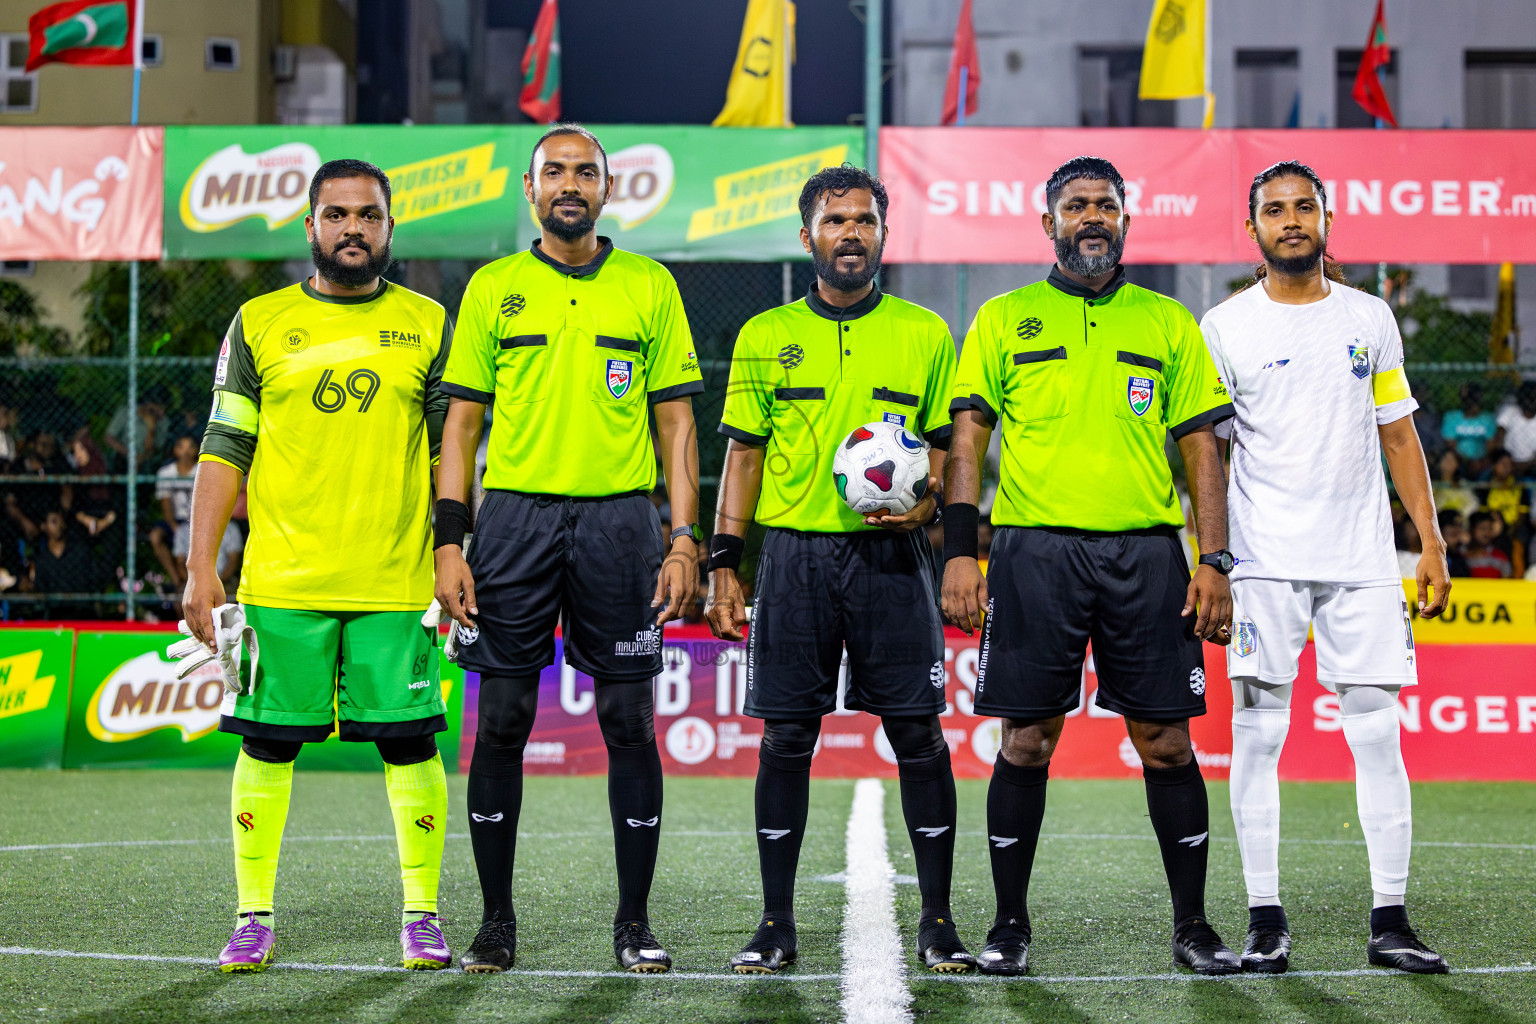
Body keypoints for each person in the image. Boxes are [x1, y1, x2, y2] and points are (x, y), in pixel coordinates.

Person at [943, 156, 1239, 976]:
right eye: (1076, 206)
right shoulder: (1004, 318)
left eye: (1106, 205)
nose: (1093, 217)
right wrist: (961, 550)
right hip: (1035, 553)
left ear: (1125, 221)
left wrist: (1212, 558)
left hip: (1147, 553)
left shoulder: (1169, 322)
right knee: (1027, 741)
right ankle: (1009, 925)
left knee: (1167, 744)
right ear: (1049, 224)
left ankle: (1193, 926)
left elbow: (1201, 449)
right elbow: (968, 441)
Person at [434, 123, 703, 975]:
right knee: (503, 720)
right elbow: (462, 425)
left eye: (586, 171)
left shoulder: (649, 285)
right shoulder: (494, 287)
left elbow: (677, 425)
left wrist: (684, 538)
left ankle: (634, 924)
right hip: (513, 522)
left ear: (608, 190)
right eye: (555, 171)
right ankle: (494, 924)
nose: (571, 183)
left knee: (629, 720)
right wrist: (450, 540)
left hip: (622, 525)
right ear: (530, 187)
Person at [182, 159, 455, 974]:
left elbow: (453, 456)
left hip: (395, 583)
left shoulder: (430, 323)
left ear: (390, 229)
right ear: (309, 226)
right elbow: (224, 445)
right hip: (282, 583)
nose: (352, 230)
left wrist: (452, 552)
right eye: (335, 215)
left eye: (367, 216)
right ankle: (252, 916)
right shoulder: (259, 321)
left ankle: (422, 914)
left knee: (410, 746)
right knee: (266, 746)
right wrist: (203, 566)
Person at [707, 165, 974, 976]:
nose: (850, 233)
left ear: (884, 234)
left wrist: (928, 514)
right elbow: (743, 457)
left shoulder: (926, 333)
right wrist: (725, 561)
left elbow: (945, 452)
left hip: (894, 557)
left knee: (919, 737)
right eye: (835, 221)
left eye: (864, 220)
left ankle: (937, 922)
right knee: (787, 737)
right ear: (807, 237)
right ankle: (775, 922)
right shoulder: (763, 335)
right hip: (794, 559)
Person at [1202, 160, 1451, 975]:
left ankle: (1390, 920)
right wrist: (1210, 562)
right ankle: (1265, 921)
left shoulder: (1371, 317)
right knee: (1258, 735)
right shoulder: (1224, 327)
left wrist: (1433, 541)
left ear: (1326, 217)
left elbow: (1398, 434)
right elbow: (1202, 457)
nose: (1290, 219)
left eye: (1303, 205)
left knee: (1379, 737)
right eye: (1273, 209)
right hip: (1264, 561)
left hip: (1363, 559)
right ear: (1254, 229)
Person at [151, 433, 200, 588]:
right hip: (176, 519)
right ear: (174, 450)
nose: (185, 451)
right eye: (181, 447)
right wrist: (174, 526)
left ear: (197, 450)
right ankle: (175, 579)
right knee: (155, 536)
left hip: (197, 520)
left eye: (190, 447)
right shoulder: (166, 473)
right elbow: (165, 504)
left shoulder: (202, 471)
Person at [1439, 382, 1497, 468]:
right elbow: (1450, 444)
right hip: (1459, 460)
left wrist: (1480, 461)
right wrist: (1465, 461)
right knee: (1448, 458)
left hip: (1482, 462)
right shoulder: (1452, 417)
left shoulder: (1488, 419)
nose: (1473, 404)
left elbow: (1491, 445)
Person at [1494, 381, 1536, 476]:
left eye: (1533, 398)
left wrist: (1528, 464)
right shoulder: (1510, 412)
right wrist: (1509, 463)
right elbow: (1499, 438)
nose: (1530, 401)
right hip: (1509, 462)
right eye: (1527, 397)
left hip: (1532, 465)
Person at [1463, 511, 1513, 578]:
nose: (1486, 533)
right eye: (1482, 528)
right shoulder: (1461, 554)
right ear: (1472, 530)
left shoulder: (1500, 556)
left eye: (1490, 529)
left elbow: (1507, 580)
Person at [1431, 449, 1479, 516]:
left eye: (1452, 460)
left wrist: (1460, 515)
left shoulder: (1462, 484)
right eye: (1446, 459)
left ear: (1457, 464)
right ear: (1439, 462)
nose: (1448, 463)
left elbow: (1473, 504)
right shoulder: (1431, 485)